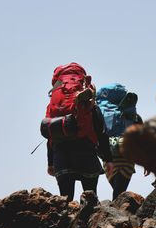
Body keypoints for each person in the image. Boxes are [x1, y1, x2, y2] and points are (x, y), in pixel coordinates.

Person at [42, 63, 113, 202]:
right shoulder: (89, 103)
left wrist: (51, 162)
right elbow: (101, 131)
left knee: (66, 200)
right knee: (90, 198)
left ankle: (67, 222)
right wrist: (108, 159)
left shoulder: (52, 105)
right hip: (85, 151)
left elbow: (50, 132)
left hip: (61, 154)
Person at [96, 83, 149, 200]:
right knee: (120, 191)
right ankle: (117, 214)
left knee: (117, 191)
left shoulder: (101, 114)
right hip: (127, 158)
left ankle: (114, 213)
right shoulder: (133, 116)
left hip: (108, 157)